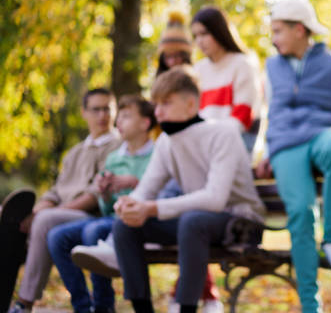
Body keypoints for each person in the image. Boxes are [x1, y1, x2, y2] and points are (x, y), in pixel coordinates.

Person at [112, 65, 265, 313]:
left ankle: (186, 309)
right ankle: (142, 309)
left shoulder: (222, 133)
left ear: (191, 105)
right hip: (197, 224)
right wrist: (129, 204)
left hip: (241, 222)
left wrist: (151, 208)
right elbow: (147, 188)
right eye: (156, 104)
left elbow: (215, 199)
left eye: (166, 103)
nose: (158, 112)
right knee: (124, 225)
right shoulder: (166, 142)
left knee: (191, 221)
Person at [255, 0, 331, 313]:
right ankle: (310, 306)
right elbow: (266, 113)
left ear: (299, 29)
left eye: (278, 31)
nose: (274, 38)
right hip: (285, 144)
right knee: (302, 215)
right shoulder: (270, 66)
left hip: (321, 133)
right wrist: (264, 151)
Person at [8, 88, 121, 313]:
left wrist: (45, 215)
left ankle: (25, 302)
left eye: (107, 109)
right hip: (62, 211)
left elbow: (94, 196)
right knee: (15, 218)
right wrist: (35, 211)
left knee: (45, 221)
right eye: (96, 109)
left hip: (94, 214)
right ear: (84, 113)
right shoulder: (75, 152)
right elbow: (56, 191)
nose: (102, 116)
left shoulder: (118, 148)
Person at [46, 95, 156, 313]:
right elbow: (107, 209)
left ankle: (104, 306)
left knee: (93, 231)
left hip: (140, 220)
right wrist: (105, 194)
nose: (118, 122)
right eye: (120, 117)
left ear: (145, 123)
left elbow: (157, 195)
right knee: (56, 237)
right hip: (113, 217)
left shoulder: (157, 154)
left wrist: (134, 183)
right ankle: (82, 307)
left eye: (125, 117)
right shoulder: (115, 158)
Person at [191, 6, 262, 152]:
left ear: (219, 31)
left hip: (235, 143)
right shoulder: (198, 70)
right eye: (196, 36)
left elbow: (243, 118)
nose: (199, 41)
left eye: (204, 34)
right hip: (203, 144)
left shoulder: (242, 64)